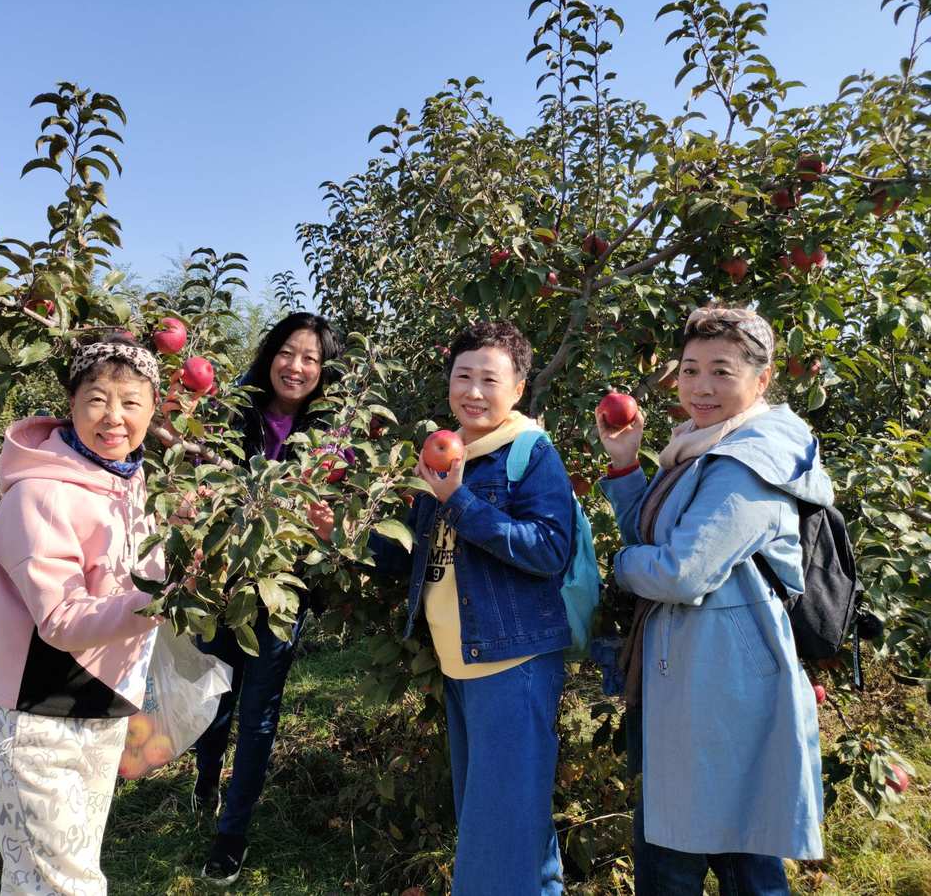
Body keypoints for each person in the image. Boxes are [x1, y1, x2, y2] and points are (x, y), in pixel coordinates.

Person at [314, 320, 574, 895]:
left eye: (490, 379)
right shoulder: (444, 453)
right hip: (462, 661)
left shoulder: (529, 453)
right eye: (463, 376)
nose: (474, 391)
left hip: (514, 661)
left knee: (493, 827)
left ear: (519, 389)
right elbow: (408, 554)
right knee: (512, 817)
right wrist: (345, 535)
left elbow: (550, 548)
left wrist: (458, 501)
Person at [595, 303, 830, 895]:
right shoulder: (699, 446)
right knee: (725, 841)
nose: (700, 387)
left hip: (724, 685)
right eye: (690, 369)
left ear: (762, 379)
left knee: (701, 852)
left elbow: (679, 572)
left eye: (721, 372)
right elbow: (660, 541)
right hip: (696, 675)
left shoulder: (749, 464)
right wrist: (626, 466)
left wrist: (621, 567)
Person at [0, 336, 166, 896]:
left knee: (45, 871)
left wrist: (190, 549)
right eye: (97, 399)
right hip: (36, 710)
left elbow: (137, 570)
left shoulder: (128, 480)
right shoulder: (40, 495)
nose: (114, 417)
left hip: (100, 699)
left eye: (131, 402)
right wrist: (166, 597)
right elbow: (60, 617)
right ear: (72, 404)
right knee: (70, 881)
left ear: (153, 408)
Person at [192, 311, 343, 886]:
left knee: (259, 713)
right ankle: (207, 777)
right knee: (216, 696)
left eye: (311, 358)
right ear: (269, 354)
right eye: (288, 351)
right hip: (221, 584)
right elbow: (194, 481)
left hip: (280, 597)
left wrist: (329, 528)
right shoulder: (231, 413)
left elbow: (342, 520)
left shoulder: (334, 437)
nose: (297, 366)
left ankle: (232, 833)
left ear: (325, 371)